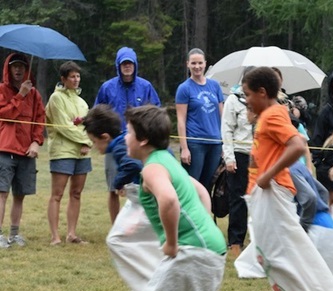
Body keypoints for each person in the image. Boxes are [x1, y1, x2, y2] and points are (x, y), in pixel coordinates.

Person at [122, 104, 226, 291]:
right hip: (210, 248)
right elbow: (200, 191)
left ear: (142, 139)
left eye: (128, 132)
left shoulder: (154, 167)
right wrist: (206, 225)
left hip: (194, 251)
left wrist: (171, 242)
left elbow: (169, 200)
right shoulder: (165, 160)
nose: (124, 137)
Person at [243, 66, 333, 291]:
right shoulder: (267, 115)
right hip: (265, 194)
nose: (246, 99)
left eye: (248, 94)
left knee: (282, 258)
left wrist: (268, 175)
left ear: (262, 92)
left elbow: (297, 145)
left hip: (273, 192)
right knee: (273, 259)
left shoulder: (273, 114)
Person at [84, 104, 154, 291]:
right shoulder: (122, 141)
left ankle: (146, 290)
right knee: (120, 239)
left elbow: (132, 165)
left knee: (118, 240)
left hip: (145, 201)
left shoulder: (120, 145)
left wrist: (117, 183)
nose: (95, 146)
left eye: (94, 141)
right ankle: (141, 290)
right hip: (138, 199)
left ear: (105, 137)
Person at [95, 47, 161, 223]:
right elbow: (97, 113)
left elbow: (156, 112)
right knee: (113, 187)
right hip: (114, 144)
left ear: (135, 65)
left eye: (130, 63)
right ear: (118, 65)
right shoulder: (107, 88)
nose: (127, 67)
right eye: (124, 63)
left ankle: (142, 223)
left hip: (140, 144)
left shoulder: (145, 87)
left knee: (143, 185)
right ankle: (116, 224)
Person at [0, 53, 45, 248]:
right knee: (2, 193)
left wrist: (36, 142)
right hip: (5, 149)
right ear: (8, 69)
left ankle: (14, 234)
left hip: (27, 152)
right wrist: (21, 95)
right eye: (14, 66)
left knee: (20, 195)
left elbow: (40, 120)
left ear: (27, 69)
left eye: (21, 66)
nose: (18, 70)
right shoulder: (2, 90)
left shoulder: (35, 95)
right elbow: (5, 114)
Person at [44, 61, 92, 246]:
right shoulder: (56, 99)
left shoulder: (82, 102)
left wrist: (86, 141)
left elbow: (88, 126)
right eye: (72, 76)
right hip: (62, 151)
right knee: (57, 194)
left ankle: (72, 233)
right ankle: (55, 236)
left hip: (82, 153)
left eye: (78, 76)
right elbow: (63, 126)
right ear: (63, 79)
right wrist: (84, 139)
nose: (76, 79)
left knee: (76, 193)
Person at [175, 48, 224, 191]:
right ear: (187, 64)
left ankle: (204, 213)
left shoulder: (214, 86)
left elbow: (222, 116)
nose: (197, 67)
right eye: (193, 63)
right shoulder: (184, 88)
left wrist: (224, 143)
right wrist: (184, 148)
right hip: (195, 143)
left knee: (208, 185)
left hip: (215, 144)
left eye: (200, 63)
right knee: (192, 186)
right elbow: (181, 120)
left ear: (205, 64)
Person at [221, 73, 253, 257]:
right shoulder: (233, 100)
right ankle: (235, 242)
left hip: (258, 155)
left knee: (258, 199)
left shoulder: (262, 100)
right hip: (239, 155)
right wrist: (229, 158)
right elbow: (226, 130)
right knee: (238, 199)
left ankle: (256, 240)